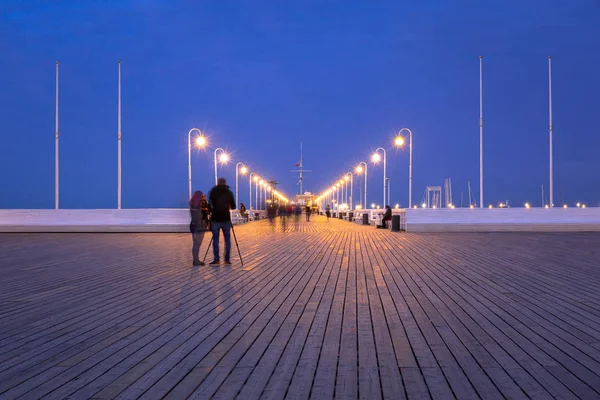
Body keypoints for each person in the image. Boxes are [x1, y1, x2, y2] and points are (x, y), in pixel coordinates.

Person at [209, 177, 236, 265]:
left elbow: (210, 205)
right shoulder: (229, 193)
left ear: (218, 183)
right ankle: (227, 260)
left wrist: (213, 210)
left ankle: (216, 260)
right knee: (227, 240)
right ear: (225, 183)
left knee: (215, 240)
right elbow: (233, 206)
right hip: (226, 219)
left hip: (215, 218)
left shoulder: (213, 191)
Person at [189, 190, 207, 266]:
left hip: (193, 225)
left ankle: (195, 259)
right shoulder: (198, 205)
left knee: (195, 244)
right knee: (197, 244)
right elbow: (199, 216)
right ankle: (196, 260)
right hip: (199, 226)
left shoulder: (192, 204)